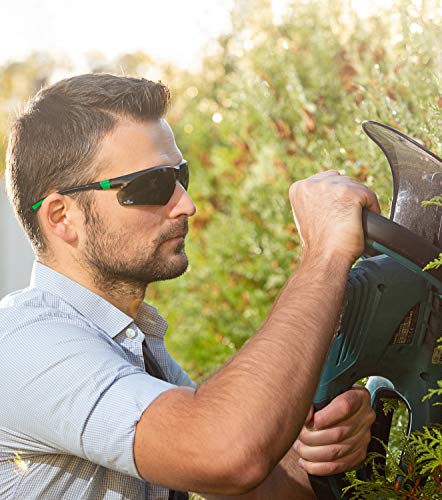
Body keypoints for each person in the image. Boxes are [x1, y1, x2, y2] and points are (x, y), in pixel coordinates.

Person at [0, 74, 378, 499]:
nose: (186, 204)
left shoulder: (130, 344)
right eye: (153, 185)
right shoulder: (24, 346)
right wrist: (324, 255)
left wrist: (311, 453)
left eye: (181, 176)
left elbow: (250, 486)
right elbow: (224, 451)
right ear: (61, 217)